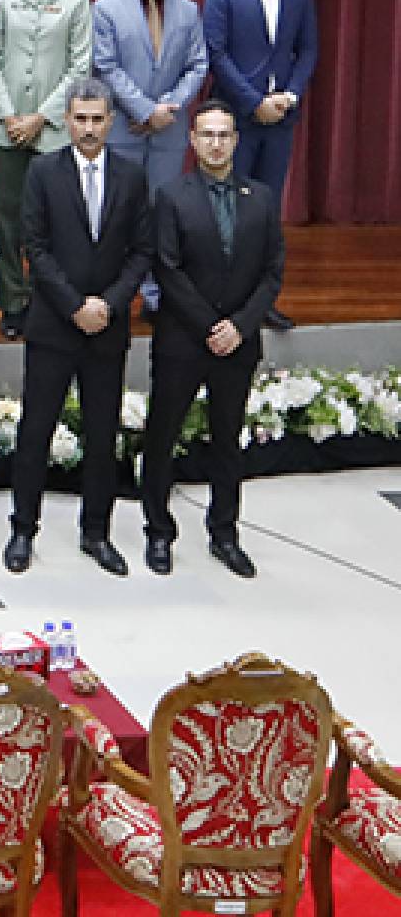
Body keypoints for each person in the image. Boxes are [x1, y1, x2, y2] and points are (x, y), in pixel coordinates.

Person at [6, 80, 151, 576]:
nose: (88, 129)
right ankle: (23, 529)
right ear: (66, 121)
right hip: (54, 325)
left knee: (101, 431)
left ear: (110, 122)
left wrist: (108, 304)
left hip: (107, 329)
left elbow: (142, 252)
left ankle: (97, 532)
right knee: (36, 430)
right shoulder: (44, 172)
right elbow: (36, 248)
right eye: (80, 119)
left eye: (97, 119)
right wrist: (74, 306)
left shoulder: (132, 177)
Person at [143, 105, 283, 580]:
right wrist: (210, 325)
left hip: (237, 344)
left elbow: (271, 273)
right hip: (184, 340)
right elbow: (167, 267)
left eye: (224, 135)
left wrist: (239, 326)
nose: (216, 143)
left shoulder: (261, 198)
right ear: (193, 140)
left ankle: (225, 531)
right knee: (163, 437)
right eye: (207, 135)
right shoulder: (171, 196)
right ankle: (158, 531)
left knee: (227, 440)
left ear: (237, 141)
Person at [0, 0, 93, 336]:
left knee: (55, 218)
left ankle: (51, 299)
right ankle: (12, 301)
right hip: (5, 127)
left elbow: (80, 65)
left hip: (53, 128)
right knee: (8, 218)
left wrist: (40, 117)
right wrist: (11, 116)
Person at [203, 0, 317, 230]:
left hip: (281, 116)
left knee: (267, 203)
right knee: (228, 203)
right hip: (235, 116)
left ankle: (260, 276)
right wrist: (254, 102)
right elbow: (216, 53)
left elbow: (307, 49)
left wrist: (290, 96)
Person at [93, 0, 208, 195]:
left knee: (164, 213)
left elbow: (197, 65)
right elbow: (106, 67)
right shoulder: (105, 9)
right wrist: (145, 111)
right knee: (120, 212)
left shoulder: (188, 10)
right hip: (123, 131)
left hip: (169, 132)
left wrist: (169, 107)